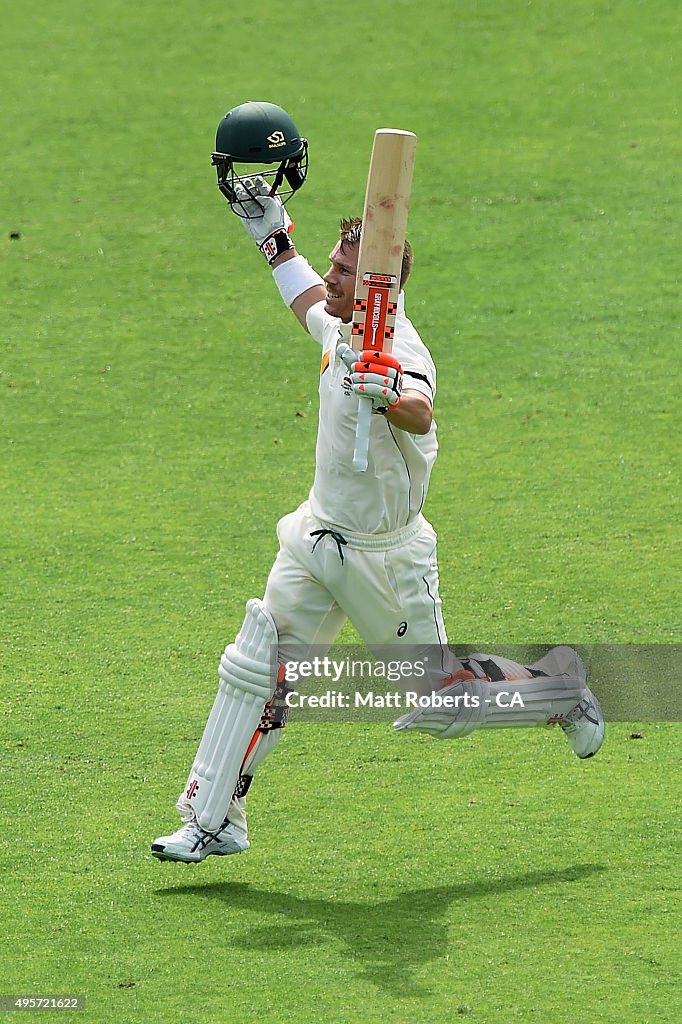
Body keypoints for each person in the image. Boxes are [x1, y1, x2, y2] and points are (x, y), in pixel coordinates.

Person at [151, 104, 604, 864]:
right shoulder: (339, 324)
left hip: (387, 559)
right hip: (317, 533)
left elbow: (421, 414)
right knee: (257, 665)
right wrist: (269, 234)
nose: (329, 277)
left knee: (441, 706)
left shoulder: (400, 347)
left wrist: (383, 389)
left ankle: (558, 690)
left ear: (381, 288)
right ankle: (213, 817)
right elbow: (302, 294)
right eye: (330, 263)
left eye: (343, 272)